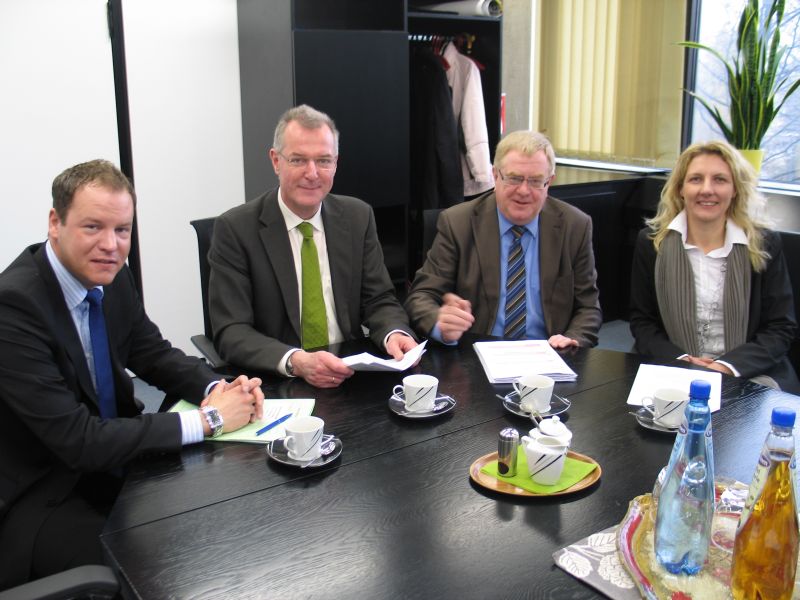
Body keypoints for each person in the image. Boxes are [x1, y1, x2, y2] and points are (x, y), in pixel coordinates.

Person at [0, 160, 265, 589]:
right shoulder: (13, 307)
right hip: (47, 491)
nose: (111, 245)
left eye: (122, 230)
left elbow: (152, 354)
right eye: (92, 227)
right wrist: (209, 418)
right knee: (145, 575)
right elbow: (79, 441)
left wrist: (220, 387)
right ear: (55, 222)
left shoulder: (113, 276)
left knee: (220, 525)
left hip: (116, 461)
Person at [208, 104, 418, 388]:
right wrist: (297, 361)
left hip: (349, 372)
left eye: (323, 160)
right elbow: (231, 331)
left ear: (336, 163)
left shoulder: (358, 217)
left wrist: (394, 333)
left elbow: (378, 299)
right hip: (277, 380)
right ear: (275, 161)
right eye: (298, 160)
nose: (312, 173)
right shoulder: (235, 229)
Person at [404, 130, 602, 348]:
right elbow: (420, 297)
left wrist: (574, 339)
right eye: (514, 178)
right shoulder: (458, 223)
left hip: (548, 357)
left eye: (536, 181)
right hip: (476, 356)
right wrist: (440, 323)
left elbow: (588, 307)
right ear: (495, 175)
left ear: (549, 182)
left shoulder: (575, 226)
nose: (524, 191)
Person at [629, 140, 799, 392]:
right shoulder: (652, 243)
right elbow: (642, 322)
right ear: (680, 189)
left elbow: (780, 328)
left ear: (735, 190)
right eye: (696, 179)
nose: (707, 189)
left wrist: (725, 367)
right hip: (672, 366)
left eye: (719, 179)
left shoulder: (763, 243)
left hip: (748, 371)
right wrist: (684, 362)